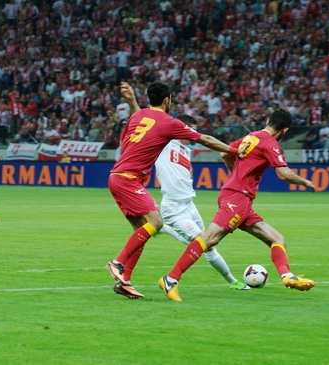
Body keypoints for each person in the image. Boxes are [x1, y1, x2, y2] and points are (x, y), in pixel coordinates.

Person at [158, 108, 317, 302]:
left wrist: (236, 177)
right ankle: (171, 279)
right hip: (237, 198)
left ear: (267, 120)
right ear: (284, 130)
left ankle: (287, 277)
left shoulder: (251, 137)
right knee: (209, 239)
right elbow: (283, 174)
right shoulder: (270, 143)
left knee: (277, 239)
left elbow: (226, 154)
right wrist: (305, 182)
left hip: (240, 198)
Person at [105, 80, 245, 299]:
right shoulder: (169, 123)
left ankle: (125, 282)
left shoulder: (138, 117)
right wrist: (235, 151)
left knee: (141, 232)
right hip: (129, 179)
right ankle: (118, 262)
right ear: (166, 99)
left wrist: (132, 101)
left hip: (118, 177)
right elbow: (206, 139)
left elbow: (136, 121)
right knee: (156, 222)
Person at [155, 113, 250, 291]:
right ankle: (172, 278)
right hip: (174, 207)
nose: (193, 136)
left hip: (189, 205)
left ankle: (232, 282)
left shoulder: (186, 150)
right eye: (191, 131)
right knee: (202, 241)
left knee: (208, 244)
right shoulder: (164, 143)